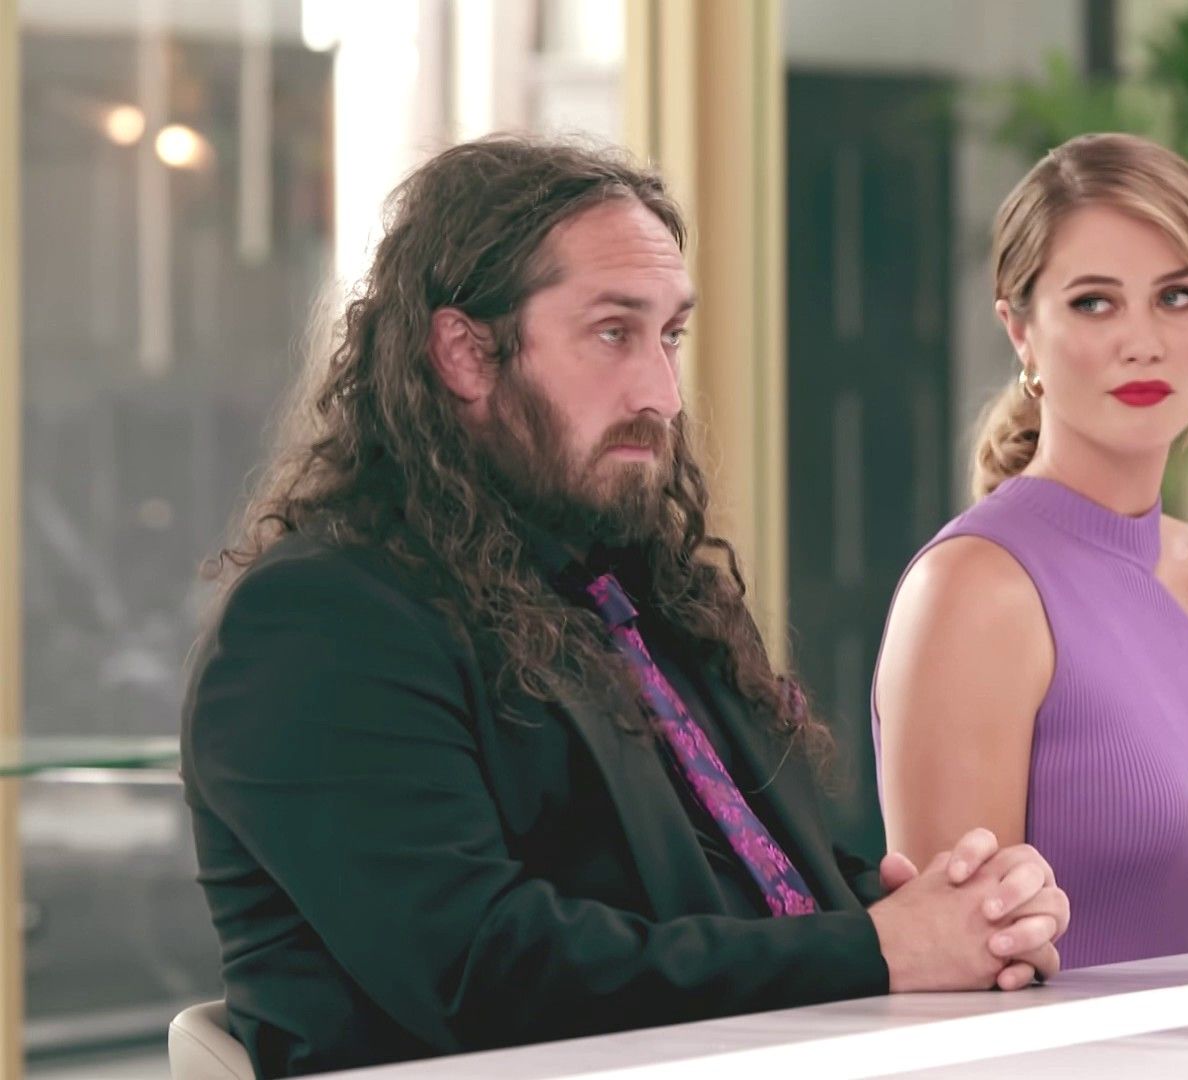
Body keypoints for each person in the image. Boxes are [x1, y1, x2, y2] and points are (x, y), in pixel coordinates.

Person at [181, 135, 1068, 1077]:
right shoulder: (319, 622)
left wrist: (956, 914)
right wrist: (880, 949)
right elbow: (487, 975)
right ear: (465, 354)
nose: (662, 393)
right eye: (614, 333)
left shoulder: (636, 593)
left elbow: (734, 890)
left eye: (669, 336)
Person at [871, 133, 1188, 969]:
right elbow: (954, 970)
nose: (1142, 341)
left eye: (1178, 296)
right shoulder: (974, 590)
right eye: (1095, 303)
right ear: (1021, 331)